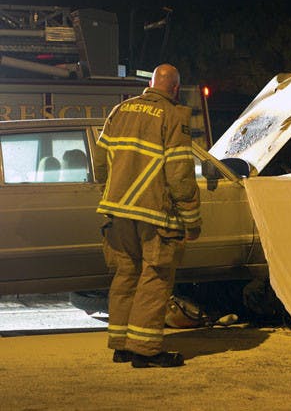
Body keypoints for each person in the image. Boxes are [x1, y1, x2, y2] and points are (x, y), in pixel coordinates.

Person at [95, 64, 201, 368]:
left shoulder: (120, 110)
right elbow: (180, 174)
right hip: (156, 213)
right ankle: (145, 350)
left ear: (151, 83)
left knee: (126, 273)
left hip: (118, 212)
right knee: (155, 277)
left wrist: (112, 192)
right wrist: (191, 220)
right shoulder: (173, 115)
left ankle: (122, 345)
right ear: (175, 88)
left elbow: (101, 162)